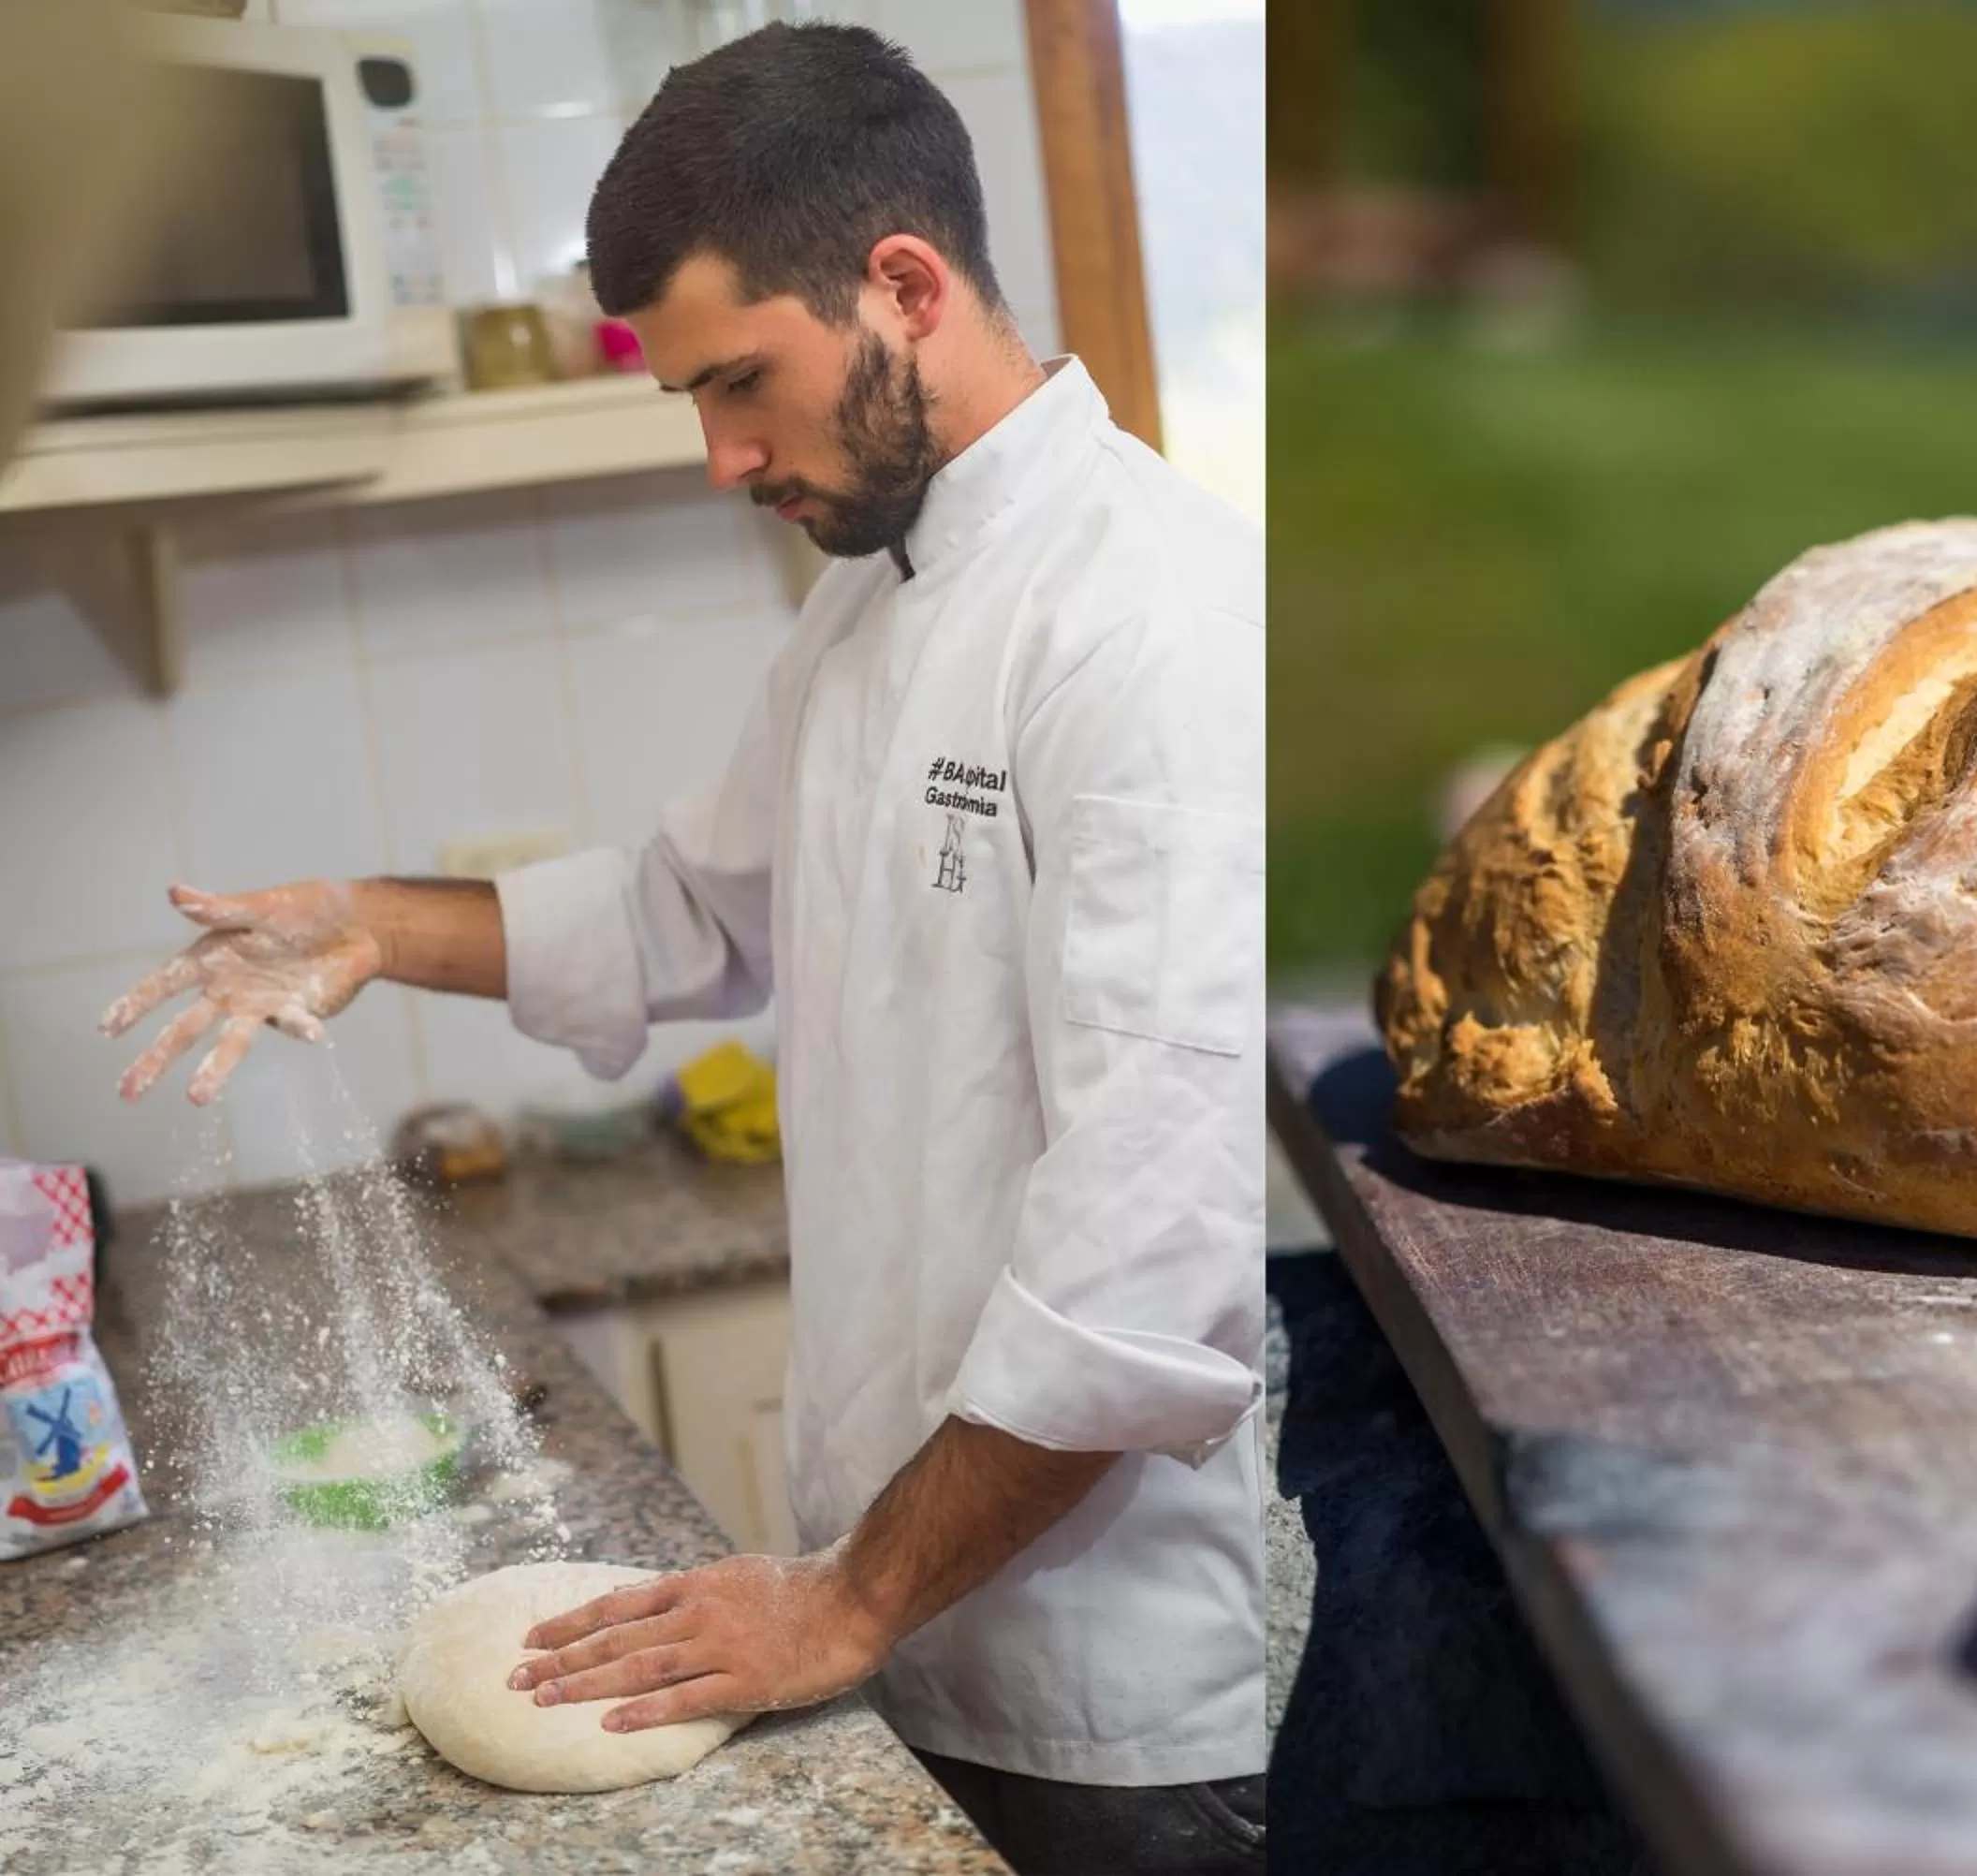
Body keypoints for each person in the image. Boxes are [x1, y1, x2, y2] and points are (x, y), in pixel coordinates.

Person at [100, 24, 1267, 1874]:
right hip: (893, 1618)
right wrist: (376, 925)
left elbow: (1149, 1270)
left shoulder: (1158, 622)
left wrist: (843, 1604)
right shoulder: (862, 613)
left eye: (744, 384)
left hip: (1107, 1705)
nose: (726, 457)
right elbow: (694, 911)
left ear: (905, 284)